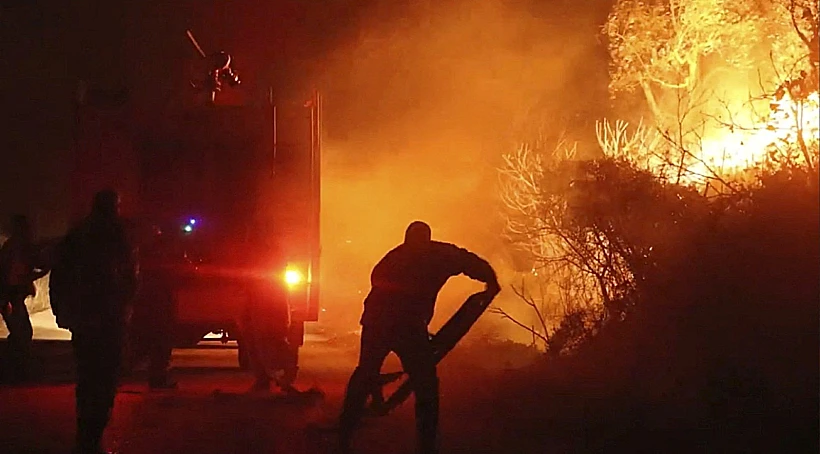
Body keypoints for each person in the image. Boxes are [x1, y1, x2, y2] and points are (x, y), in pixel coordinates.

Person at [337, 221, 501, 454]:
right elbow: (468, 261)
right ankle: (426, 444)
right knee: (425, 384)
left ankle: (346, 433)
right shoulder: (438, 255)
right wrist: (490, 280)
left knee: (366, 373)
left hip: (380, 323)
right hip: (405, 326)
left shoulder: (395, 258)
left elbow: (377, 280)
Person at [50, 189, 138, 454]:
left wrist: (62, 311)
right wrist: (126, 307)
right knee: (104, 378)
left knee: (88, 378)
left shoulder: (77, 237)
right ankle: (93, 435)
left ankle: (87, 436)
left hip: (88, 319)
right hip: (106, 319)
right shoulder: (117, 238)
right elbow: (130, 279)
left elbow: (59, 275)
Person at [126, 223, 177, 390]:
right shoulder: (152, 255)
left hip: (150, 305)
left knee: (149, 345)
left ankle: (156, 378)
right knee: (155, 344)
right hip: (154, 306)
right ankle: (156, 378)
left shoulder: (141, 253)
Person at [0, 215, 48, 382]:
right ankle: (14, 370)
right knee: (22, 333)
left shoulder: (14, 247)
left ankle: (14, 369)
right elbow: (14, 277)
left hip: (11, 297)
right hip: (11, 297)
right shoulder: (15, 248)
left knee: (21, 332)